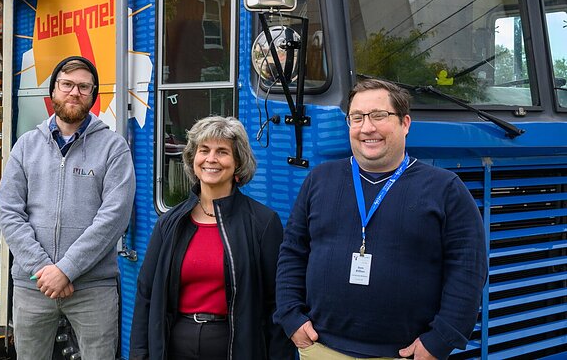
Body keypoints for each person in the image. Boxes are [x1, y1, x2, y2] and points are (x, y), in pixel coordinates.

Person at [275, 79, 487, 360]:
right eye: (357, 118)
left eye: (378, 116)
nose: (367, 128)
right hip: (320, 349)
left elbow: (468, 270)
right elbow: (292, 252)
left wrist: (440, 340)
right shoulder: (319, 179)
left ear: (405, 123)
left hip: (404, 354)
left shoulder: (446, 189)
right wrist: (290, 315)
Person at [0, 56, 135, 360]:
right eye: (67, 84)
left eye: (84, 87)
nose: (75, 92)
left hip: (92, 289)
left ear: (93, 94)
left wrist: (67, 270)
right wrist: (42, 269)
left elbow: (114, 217)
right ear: (54, 91)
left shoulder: (113, 148)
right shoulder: (26, 145)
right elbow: (8, 210)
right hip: (34, 285)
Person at [130, 116, 294, 360]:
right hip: (177, 345)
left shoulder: (263, 222)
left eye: (222, 152)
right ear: (193, 159)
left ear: (237, 162)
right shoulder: (170, 223)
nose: (211, 159)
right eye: (203, 150)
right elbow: (146, 294)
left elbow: (276, 303)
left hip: (236, 346)